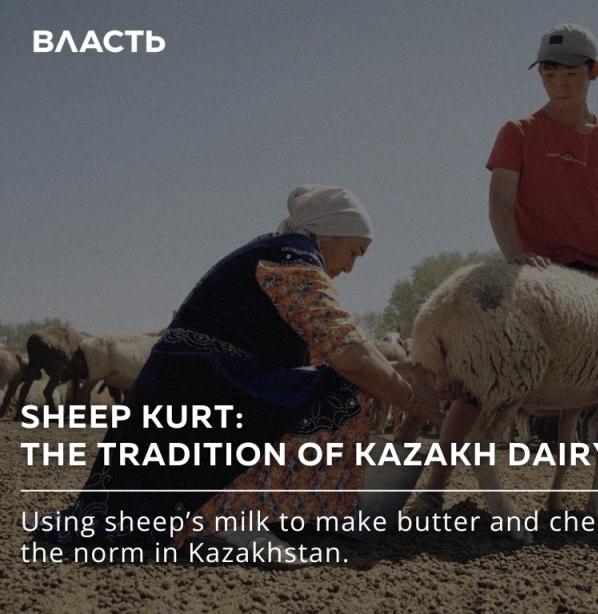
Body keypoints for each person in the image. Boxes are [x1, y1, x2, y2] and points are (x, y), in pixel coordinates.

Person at [34, 184, 442, 562]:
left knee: (341, 383)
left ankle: (225, 513)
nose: (351, 267)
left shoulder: (278, 251)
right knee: (344, 393)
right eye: (355, 251)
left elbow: (326, 355)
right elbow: (349, 357)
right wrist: (409, 397)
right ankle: (225, 520)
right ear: (330, 232)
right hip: (205, 392)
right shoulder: (295, 258)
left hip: (190, 394)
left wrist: (393, 371)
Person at [406, 23, 598, 519]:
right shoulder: (519, 132)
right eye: (549, 70)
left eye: (571, 70)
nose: (559, 79)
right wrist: (514, 254)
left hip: (592, 279)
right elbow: (500, 202)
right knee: (484, 383)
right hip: (531, 275)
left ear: (593, 71)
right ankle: (431, 494)